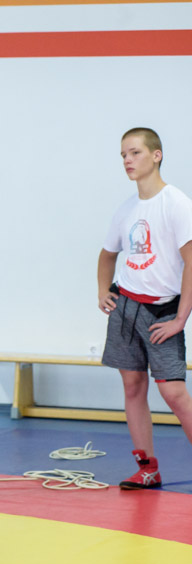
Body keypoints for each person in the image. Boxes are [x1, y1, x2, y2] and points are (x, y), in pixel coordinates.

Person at [97, 127, 192, 490]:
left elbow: (191, 264)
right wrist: (102, 291)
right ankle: (147, 467)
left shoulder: (177, 204)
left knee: (174, 394)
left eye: (134, 153)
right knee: (133, 387)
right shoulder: (126, 209)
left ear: (157, 155)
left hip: (163, 314)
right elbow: (107, 255)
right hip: (125, 309)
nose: (127, 161)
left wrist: (180, 318)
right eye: (123, 155)